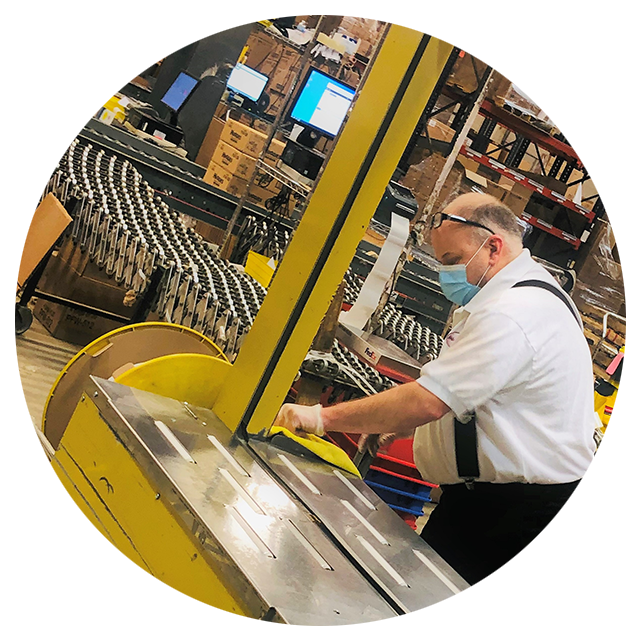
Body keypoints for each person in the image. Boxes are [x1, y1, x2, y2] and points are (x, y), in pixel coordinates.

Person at [274, 193, 598, 626]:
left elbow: (429, 399)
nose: (446, 271)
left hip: (528, 520)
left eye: (452, 258)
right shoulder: (516, 294)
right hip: (483, 501)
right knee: (429, 611)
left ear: (493, 246)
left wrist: (321, 417)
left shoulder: (517, 313)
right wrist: (411, 430)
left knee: (474, 624)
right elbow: (491, 398)